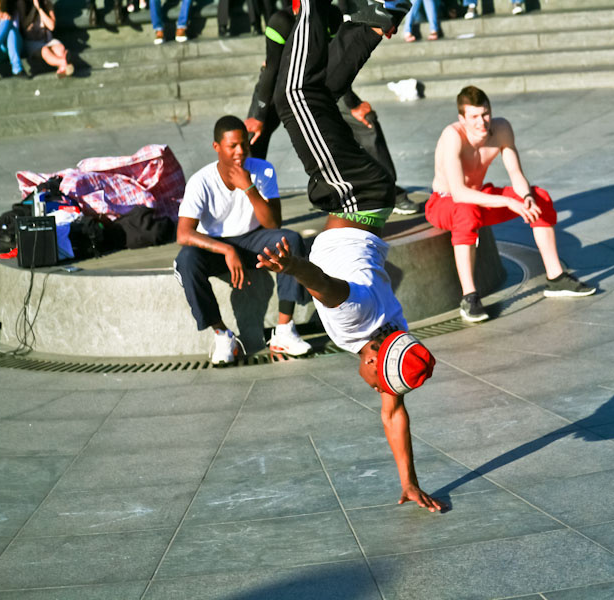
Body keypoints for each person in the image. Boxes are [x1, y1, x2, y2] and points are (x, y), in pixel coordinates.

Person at [261, 0, 445, 512]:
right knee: (295, 94)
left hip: (363, 202)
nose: (373, 390)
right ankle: (333, 9)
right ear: (373, 358)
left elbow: (394, 415)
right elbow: (326, 287)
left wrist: (409, 481)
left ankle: (364, 19)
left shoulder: (395, 330)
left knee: (312, 93)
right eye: (375, 382)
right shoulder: (359, 323)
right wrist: (290, 266)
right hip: (354, 199)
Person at [426, 85, 596, 323]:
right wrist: (507, 201)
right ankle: (469, 297)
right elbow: (459, 193)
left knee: (540, 199)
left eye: (485, 114)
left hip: (480, 198)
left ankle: (556, 278)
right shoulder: (452, 136)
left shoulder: (501, 129)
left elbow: (516, 173)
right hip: (445, 203)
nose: (482, 122)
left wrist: (525, 197)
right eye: (474, 116)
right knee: (466, 212)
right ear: (462, 118)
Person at [244, 3, 419, 215]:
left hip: (312, 84)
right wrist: (259, 115)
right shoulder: (280, 21)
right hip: (272, 88)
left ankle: (391, 191)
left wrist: (353, 104)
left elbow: (338, 58)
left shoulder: (330, 15)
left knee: (362, 120)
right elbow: (272, 68)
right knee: (253, 135)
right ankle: (246, 196)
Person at [174, 115, 312, 365]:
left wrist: (248, 187)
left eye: (244, 144)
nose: (240, 151)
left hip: (255, 240)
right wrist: (226, 249)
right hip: (217, 246)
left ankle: (284, 330)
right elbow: (184, 234)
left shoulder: (263, 169)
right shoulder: (201, 181)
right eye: (232, 146)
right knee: (186, 260)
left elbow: (273, 224)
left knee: (290, 240)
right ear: (217, 147)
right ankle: (222, 335)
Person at [15, 0, 74, 77]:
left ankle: (62, 68)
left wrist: (40, 9)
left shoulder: (47, 3)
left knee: (60, 48)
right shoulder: (22, 3)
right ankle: (63, 62)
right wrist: (34, 9)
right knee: (45, 50)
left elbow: (51, 26)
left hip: (47, 39)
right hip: (32, 41)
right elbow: (23, 26)